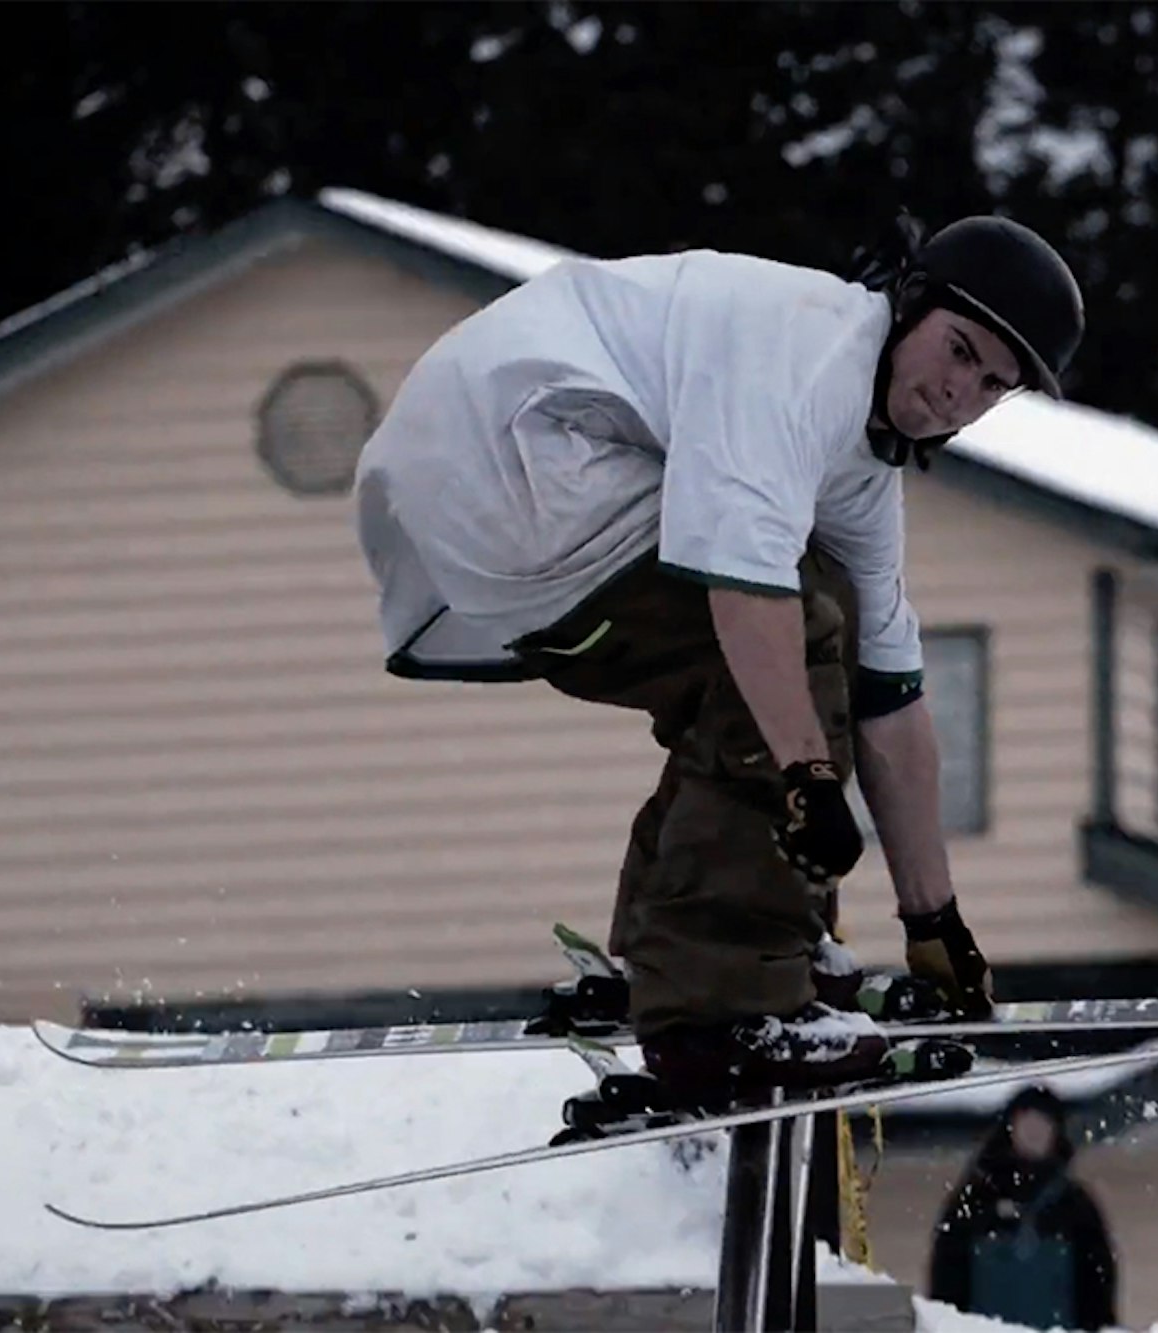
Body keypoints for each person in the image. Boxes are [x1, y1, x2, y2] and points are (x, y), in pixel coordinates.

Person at [351, 211, 1084, 1107]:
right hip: (517, 463)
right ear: (909, 305)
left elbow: (892, 697)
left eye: (991, 385)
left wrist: (935, 919)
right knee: (791, 632)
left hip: (514, 495)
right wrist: (808, 779)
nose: (958, 395)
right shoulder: (806, 354)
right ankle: (720, 1003)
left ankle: (688, 953)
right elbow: (747, 597)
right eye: (959, 351)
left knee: (829, 629)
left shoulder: (859, 456)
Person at [928, 1085, 1118, 1331]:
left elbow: (1097, 1290)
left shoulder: (1075, 1205)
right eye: (1027, 1124)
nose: (1034, 1134)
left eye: (1043, 1125)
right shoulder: (975, 1199)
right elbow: (947, 1279)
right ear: (1009, 1128)